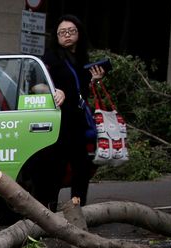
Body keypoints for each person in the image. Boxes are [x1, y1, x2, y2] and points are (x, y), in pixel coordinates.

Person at [35, 14, 105, 209]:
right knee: (54, 170)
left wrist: (94, 81)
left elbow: (83, 92)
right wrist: (52, 90)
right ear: (56, 36)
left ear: (79, 34)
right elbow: (34, 85)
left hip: (79, 122)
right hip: (58, 122)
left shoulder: (83, 59)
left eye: (71, 31)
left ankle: (78, 211)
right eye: (62, 32)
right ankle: (48, 213)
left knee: (81, 170)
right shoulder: (50, 57)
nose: (66, 35)